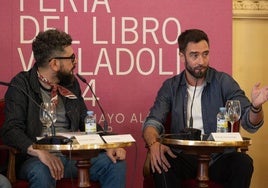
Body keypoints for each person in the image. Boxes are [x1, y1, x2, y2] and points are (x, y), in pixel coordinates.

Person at [0, 29, 126, 188]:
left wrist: (107, 146)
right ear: (54, 63)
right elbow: (11, 130)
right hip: (36, 160)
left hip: (71, 157)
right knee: (41, 171)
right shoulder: (22, 84)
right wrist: (39, 152)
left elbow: (85, 122)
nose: (76, 61)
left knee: (114, 163)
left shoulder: (71, 85)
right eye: (71, 57)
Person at [142, 29, 268, 188]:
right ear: (182, 56)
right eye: (194, 55)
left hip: (217, 158)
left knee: (243, 163)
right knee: (160, 163)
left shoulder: (224, 82)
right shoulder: (171, 87)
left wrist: (255, 107)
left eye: (205, 54)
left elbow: (248, 121)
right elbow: (153, 122)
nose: (201, 61)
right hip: (182, 156)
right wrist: (154, 144)